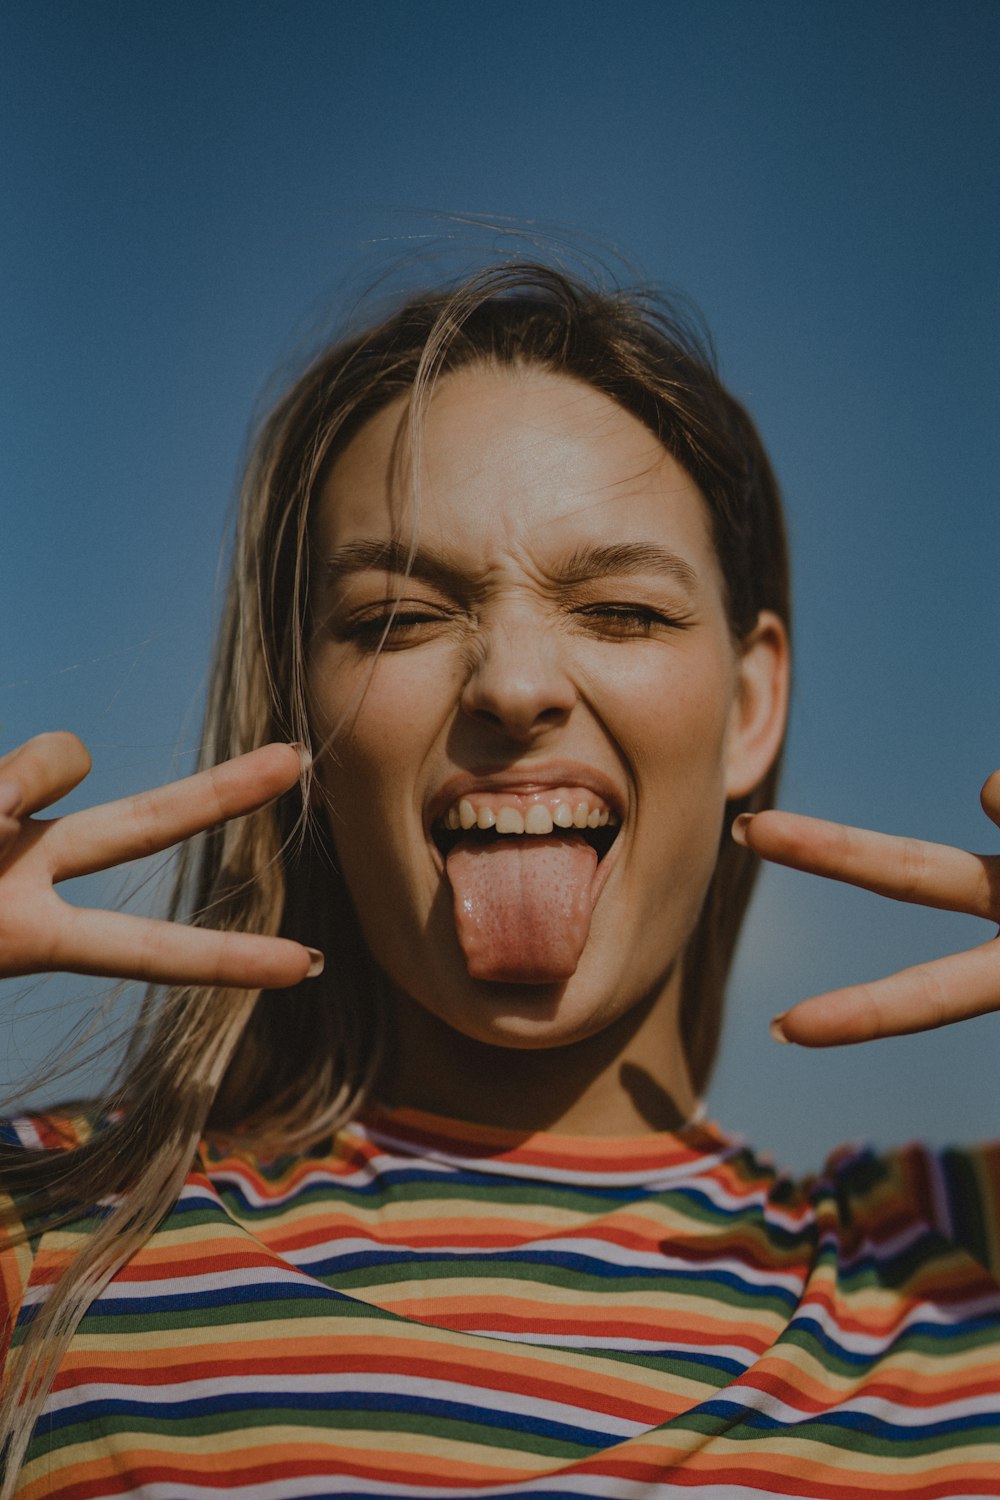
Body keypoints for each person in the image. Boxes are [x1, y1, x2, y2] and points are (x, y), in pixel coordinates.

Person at [0, 262, 997, 1499]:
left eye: (623, 609)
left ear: (750, 706)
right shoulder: (48, 1237)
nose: (514, 685)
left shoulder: (956, 1258)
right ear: (296, 716)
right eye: (395, 619)